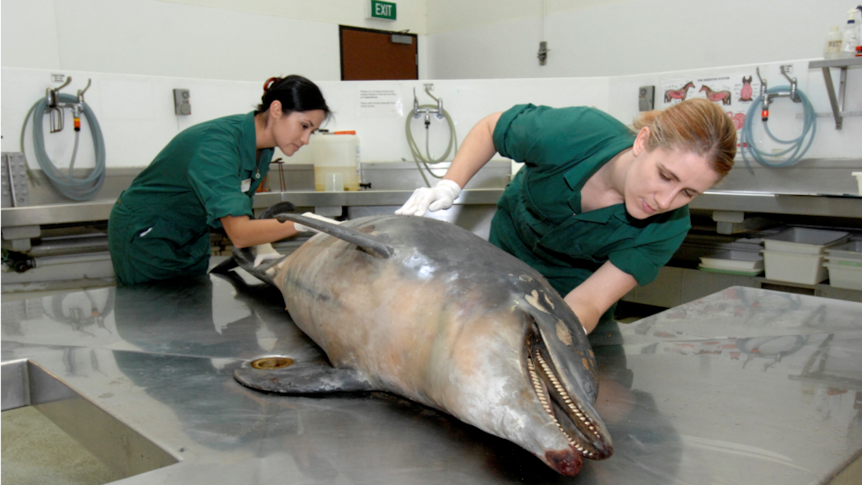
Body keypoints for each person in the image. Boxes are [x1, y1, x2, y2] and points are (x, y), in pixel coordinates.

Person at [396, 98, 736, 334]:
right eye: (665, 176)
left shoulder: (668, 227)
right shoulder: (577, 132)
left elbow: (589, 300)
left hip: (572, 294)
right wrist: (450, 186)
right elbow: (491, 129)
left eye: (688, 193)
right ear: (643, 142)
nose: (666, 201)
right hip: (504, 257)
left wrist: (554, 335)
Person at [109, 75, 330, 286]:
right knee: (154, 310)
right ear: (276, 109)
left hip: (189, 235)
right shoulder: (217, 146)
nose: (306, 139)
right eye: (304, 125)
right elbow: (240, 233)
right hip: (148, 235)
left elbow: (235, 204)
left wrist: (262, 244)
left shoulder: (261, 148)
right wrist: (307, 222)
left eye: (313, 131)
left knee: (190, 303)